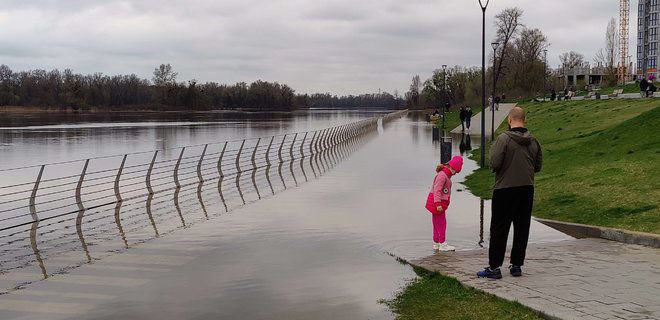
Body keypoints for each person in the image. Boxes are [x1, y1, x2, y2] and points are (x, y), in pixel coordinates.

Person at [477, 107, 542, 279]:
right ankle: (516, 265)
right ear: (524, 120)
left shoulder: (503, 139)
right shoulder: (533, 141)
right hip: (527, 188)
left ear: (509, 120)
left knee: (499, 228)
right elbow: (538, 166)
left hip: (504, 189)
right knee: (522, 227)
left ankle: (494, 267)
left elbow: (495, 163)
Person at [425, 156, 463, 252]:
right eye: (455, 171)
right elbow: (437, 190)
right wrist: (438, 204)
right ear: (452, 167)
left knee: (436, 223)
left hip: (437, 203)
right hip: (438, 203)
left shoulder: (445, 175)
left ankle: (436, 243)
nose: (454, 174)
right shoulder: (442, 176)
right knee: (442, 223)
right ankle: (442, 244)